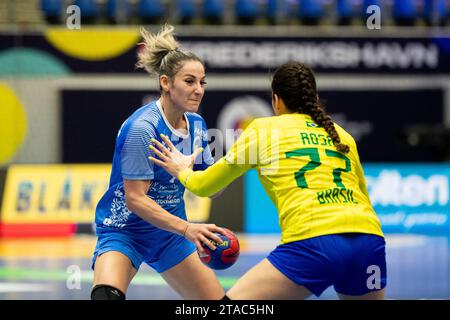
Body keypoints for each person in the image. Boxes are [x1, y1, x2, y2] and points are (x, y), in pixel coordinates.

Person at [149, 61, 387, 300]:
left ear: (276, 100)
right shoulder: (341, 134)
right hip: (368, 240)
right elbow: (363, 197)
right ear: (314, 98)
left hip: (314, 241)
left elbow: (204, 186)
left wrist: (181, 169)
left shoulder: (263, 130)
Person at [90, 24, 226, 300]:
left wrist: (229, 167)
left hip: (169, 236)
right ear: (165, 82)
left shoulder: (197, 125)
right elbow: (135, 199)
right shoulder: (143, 128)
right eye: (190, 81)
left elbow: (211, 188)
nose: (199, 90)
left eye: (202, 82)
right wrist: (188, 228)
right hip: (126, 229)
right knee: (106, 296)